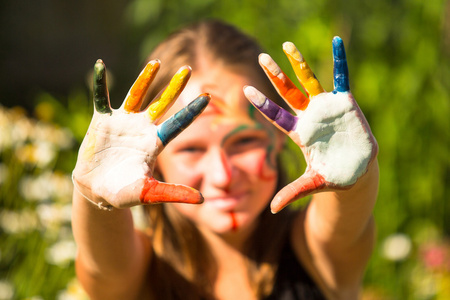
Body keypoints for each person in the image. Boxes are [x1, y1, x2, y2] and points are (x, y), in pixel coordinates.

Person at [71, 20, 379, 300]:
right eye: (191, 149)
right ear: (155, 159)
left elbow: (347, 220)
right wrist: (94, 193)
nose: (223, 175)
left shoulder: (316, 254)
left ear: (279, 138)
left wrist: (357, 176)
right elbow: (103, 265)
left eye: (244, 141)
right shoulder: (137, 272)